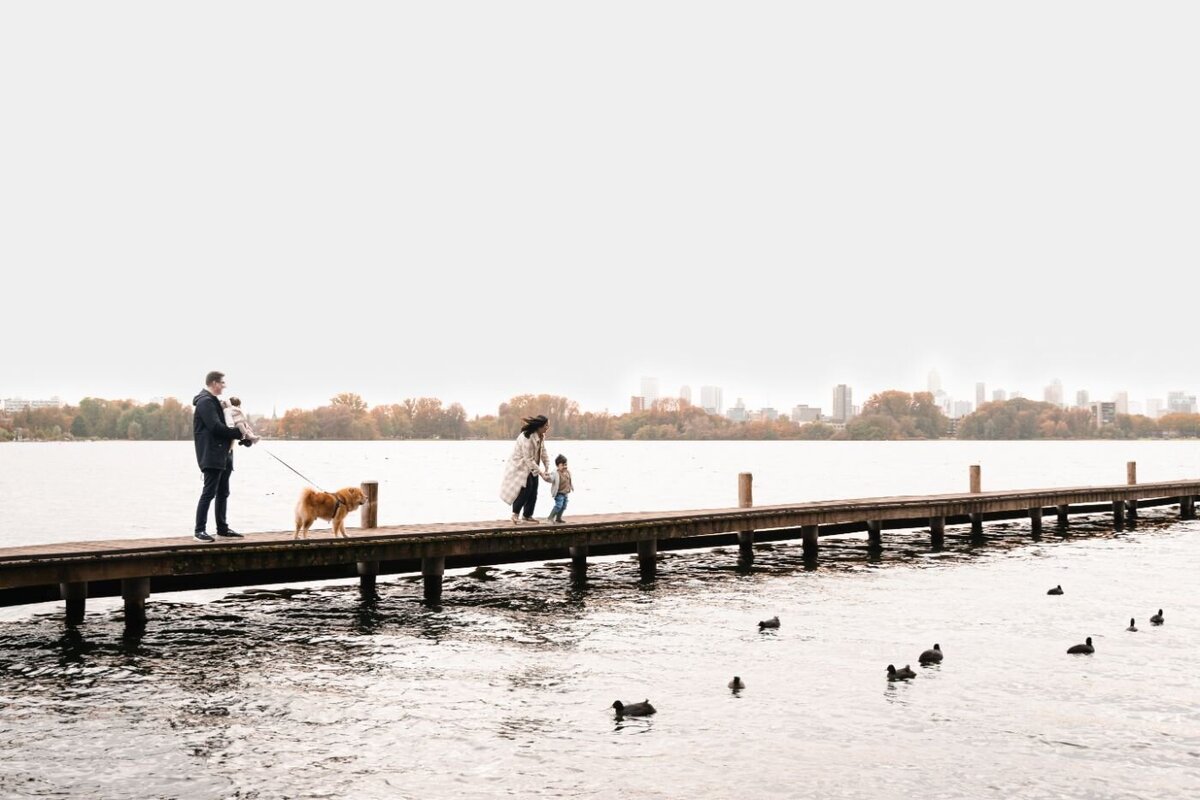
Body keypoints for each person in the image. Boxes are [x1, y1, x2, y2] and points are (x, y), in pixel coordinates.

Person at [192, 370, 249, 542]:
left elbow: (228, 424)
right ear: (215, 383)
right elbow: (215, 427)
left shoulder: (217, 402)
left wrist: (243, 437)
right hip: (211, 454)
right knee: (209, 492)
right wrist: (239, 434)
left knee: (223, 492)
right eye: (222, 383)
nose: (224, 386)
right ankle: (199, 531)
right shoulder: (205, 402)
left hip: (225, 453)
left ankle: (222, 529)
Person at [499, 414, 550, 524]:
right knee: (526, 488)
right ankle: (515, 515)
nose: (547, 427)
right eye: (546, 425)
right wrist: (541, 473)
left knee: (534, 490)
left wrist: (546, 465)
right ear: (539, 426)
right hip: (520, 465)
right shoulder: (527, 437)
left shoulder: (541, 435)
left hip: (532, 466)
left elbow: (543, 451)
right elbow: (528, 459)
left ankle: (527, 515)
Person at [546, 454, 573, 524]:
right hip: (559, 493)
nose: (565, 467)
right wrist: (546, 476)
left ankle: (558, 518)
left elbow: (569, 480)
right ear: (558, 466)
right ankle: (550, 518)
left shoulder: (568, 472)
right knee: (559, 505)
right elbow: (551, 479)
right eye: (562, 465)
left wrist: (571, 487)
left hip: (565, 493)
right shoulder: (555, 473)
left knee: (564, 506)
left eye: (566, 465)